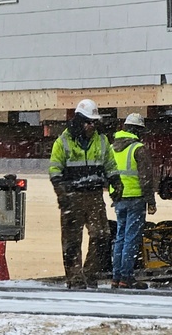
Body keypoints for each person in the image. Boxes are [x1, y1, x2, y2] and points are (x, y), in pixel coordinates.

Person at [48, 99, 118, 289]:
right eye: (89, 122)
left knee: (102, 236)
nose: (92, 126)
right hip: (72, 196)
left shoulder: (101, 140)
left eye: (94, 122)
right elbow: (55, 170)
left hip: (94, 195)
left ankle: (89, 274)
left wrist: (116, 183)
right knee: (72, 240)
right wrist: (61, 193)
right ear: (79, 121)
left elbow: (110, 165)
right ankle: (75, 278)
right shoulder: (62, 142)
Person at [110, 113, 158, 289]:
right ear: (138, 130)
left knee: (120, 237)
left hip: (119, 198)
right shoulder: (138, 148)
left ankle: (116, 277)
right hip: (135, 198)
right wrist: (151, 201)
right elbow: (146, 178)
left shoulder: (112, 147)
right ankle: (126, 277)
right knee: (131, 238)